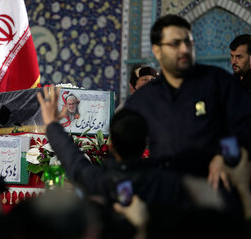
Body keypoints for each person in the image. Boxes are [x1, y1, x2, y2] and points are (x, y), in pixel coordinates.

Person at [124, 14, 251, 191]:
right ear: (157, 50)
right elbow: (125, 157)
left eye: (188, 42)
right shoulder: (143, 100)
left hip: (215, 192)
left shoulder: (219, 83)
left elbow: (242, 127)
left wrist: (224, 156)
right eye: (175, 43)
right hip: (166, 196)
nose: (184, 49)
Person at [37, 85, 191, 208]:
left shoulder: (98, 181)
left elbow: (73, 161)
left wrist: (52, 124)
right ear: (145, 142)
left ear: (111, 144)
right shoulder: (166, 184)